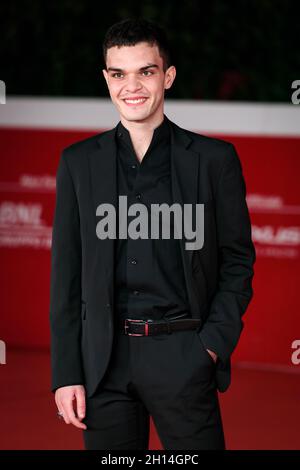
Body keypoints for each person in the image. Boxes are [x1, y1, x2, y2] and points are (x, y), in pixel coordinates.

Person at [49, 18, 256, 450]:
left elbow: (237, 260)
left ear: (168, 75)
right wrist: (67, 373)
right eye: (119, 74)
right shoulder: (77, 163)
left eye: (145, 71)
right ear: (106, 79)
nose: (132, 86)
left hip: (183, 355)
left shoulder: (214, 161)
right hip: (102, 363)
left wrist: (211, 347)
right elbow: (65, 276)